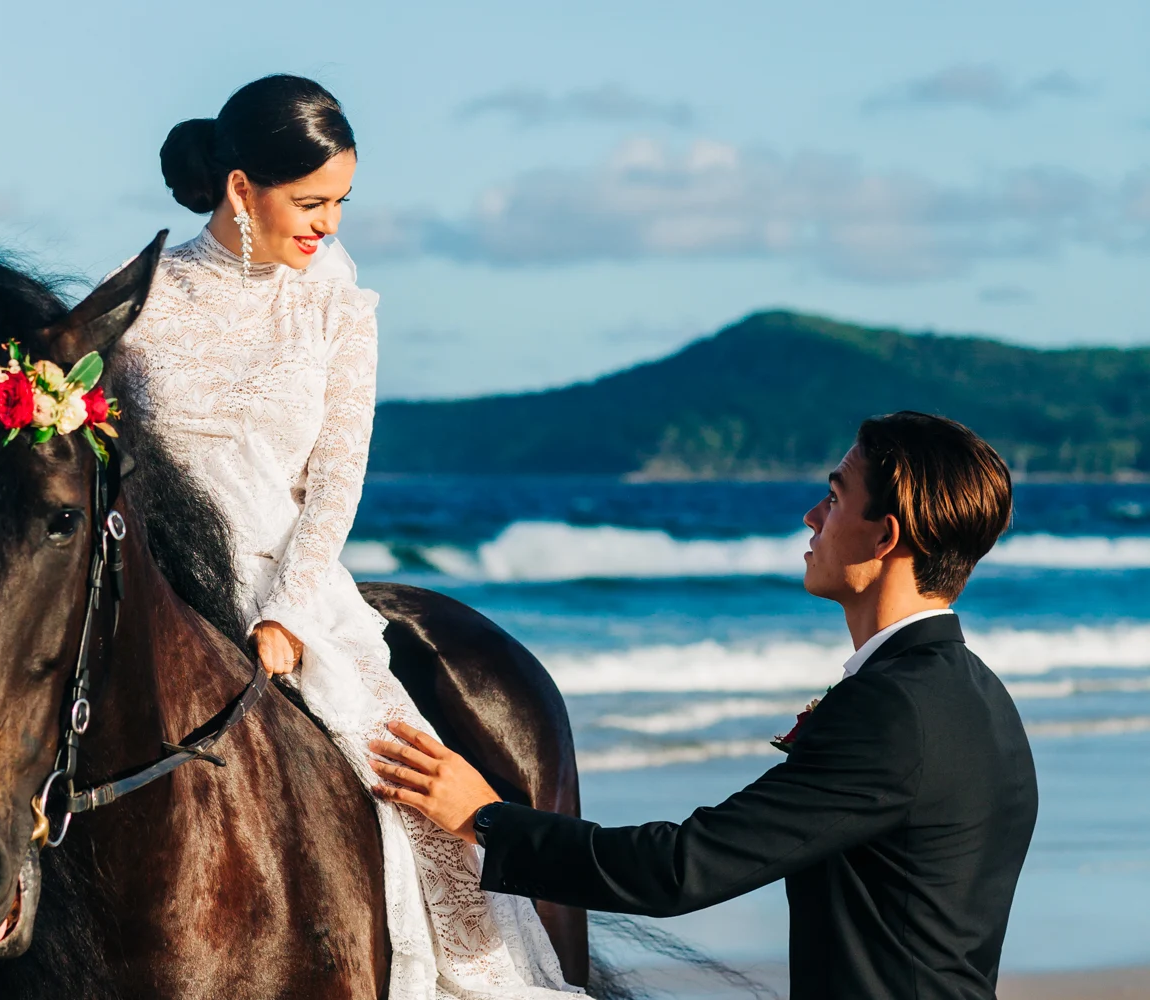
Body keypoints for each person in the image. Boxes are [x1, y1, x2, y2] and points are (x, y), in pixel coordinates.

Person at [115, 75, 581, 999]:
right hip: (164, 583)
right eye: (312, 201)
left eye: (341, 202)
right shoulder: (142, 303)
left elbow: (336, 476)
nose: (328, 223)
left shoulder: (333, 293)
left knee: (407, 790)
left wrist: (288, 612)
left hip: (292, 585)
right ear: (241, 188)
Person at [372, 412, 1039, 1000]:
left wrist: (483, 819)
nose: (812, 517)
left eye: (834, 500)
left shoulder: (895, 711)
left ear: (883, 537)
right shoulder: (979, 698)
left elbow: (678, 871)